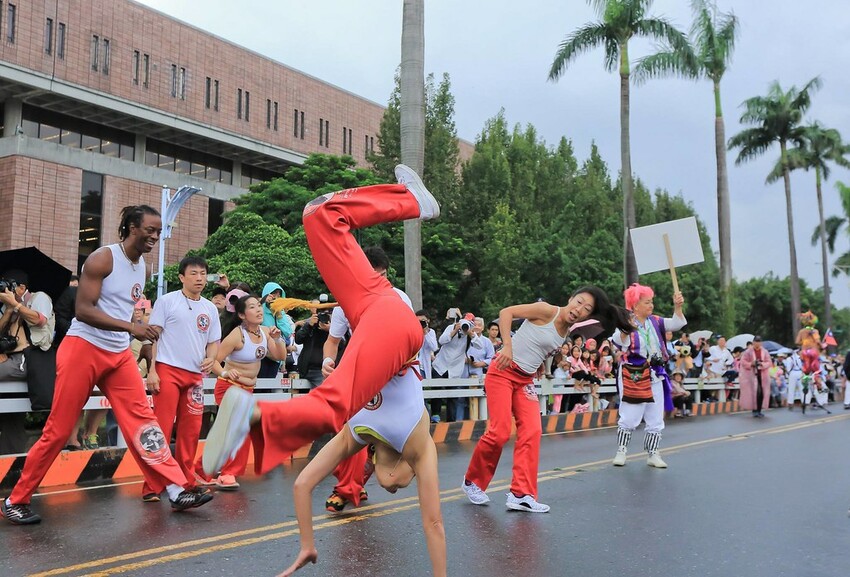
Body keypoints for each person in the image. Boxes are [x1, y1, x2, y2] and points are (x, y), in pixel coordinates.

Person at [202, 165, 445, 576]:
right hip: (394, 322)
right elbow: (434, 524)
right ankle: (253, 414)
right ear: (406, 469)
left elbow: (302, 484)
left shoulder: (360, 433)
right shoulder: (420, 446)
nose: (391, 485)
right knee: (330, 403)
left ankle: (411, 201)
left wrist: (307, 545)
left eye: (387, 484)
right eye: (397, 484)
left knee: (318, 215)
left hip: (372, 310)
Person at [1, 205, 213, 525]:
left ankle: (175, 488)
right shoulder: (102, 258)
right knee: (59, 431)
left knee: (143, 423)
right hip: (83, 348)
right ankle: (16, 499)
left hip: (118, 354)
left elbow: (123, 310)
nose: (156, 236)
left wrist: (137, 340)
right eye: (150, 230)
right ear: (131, 227)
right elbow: (84, 310)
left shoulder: (141, 265)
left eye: (159, 231)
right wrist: (133, 329)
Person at [462, 287, 632, 513]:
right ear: (570, 298)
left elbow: (537, 343)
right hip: (502, 371)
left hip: (525, 380)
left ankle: (521, 494)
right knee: (500, 431)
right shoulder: (546, 310)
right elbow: (506, 312)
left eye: (586, 309)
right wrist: (508, 347)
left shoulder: (567, 330)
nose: (578, 309)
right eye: (578, 302)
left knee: (532, 431)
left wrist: (540, 362)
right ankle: (472, 482)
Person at [141, 256, 221, 501]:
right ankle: (152, 486)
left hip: (195, 375)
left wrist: (211, 358)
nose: (199, 278)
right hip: (168, 369)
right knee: (161, 430)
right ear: (181, 277)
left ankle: (185, 481)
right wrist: (152, 370)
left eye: (203, 273)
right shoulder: (167, 301)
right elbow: (153, 337)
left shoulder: (209, 308)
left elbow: (213, 341)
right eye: (194, 273)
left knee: (190, 431)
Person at [321, 245, 395, 512]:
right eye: (372, 274)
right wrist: (328, 361)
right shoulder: (345, 304)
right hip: (362, 377)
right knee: (353, 430)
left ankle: (358, 480)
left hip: (396, 378)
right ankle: (346, 488)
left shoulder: (398, 299)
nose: (378, 281)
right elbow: (332, 342)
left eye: (383, 274)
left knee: (394, 467)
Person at [198, 294, 286, 489]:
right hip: (229, 388)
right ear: (242, 314)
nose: (258, 310)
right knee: (241, 431)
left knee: (228, 433)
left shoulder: (264, 332)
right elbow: (213, 362)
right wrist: (227, 372)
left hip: (247, 390)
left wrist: (278, 339)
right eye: (252, 307)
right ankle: (228, 473)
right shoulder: (237, 335)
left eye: (258, 306)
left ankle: (201, 470)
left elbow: (280, 356)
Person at [611, 284, 685, 469]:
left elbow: (677, 323)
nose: (651, 305)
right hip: (633, 374)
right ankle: (622, 451)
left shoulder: (656, 321)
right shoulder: (626, 322)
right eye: (647, 302)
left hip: (655, 373)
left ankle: (653, 453)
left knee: (655, 416)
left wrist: (677, 306)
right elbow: (620, 342)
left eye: (651, 301)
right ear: (635, 305)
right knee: (629, 415)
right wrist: (624, 328)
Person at [0, 269, 55, 379]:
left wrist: (15, 304)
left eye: (9, 285)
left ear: (22, 288)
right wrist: (9, 310)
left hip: (29, 358)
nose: (5, 289)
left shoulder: (39, 297)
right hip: (10, 354)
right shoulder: (7, 305)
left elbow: (39, 320)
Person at [258, 282, 293, 378]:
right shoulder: (260, 308)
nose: (276, 296)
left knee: (269, 386)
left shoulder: (280, 312)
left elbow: (287, 332)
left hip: (276, 355)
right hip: (261, 354)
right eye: (273, 293)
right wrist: (263, 302)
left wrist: (278, 314)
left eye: (279, 294)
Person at [739, 336, 771, 418]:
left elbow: (769, 362)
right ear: (753, 342)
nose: (757, 343)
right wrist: (752, 364)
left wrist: (762, 364)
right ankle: (755, 410)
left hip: (763, 375)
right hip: (752, 375)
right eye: (756, 341)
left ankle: (759, 410)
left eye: (759, 341)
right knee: (755, 393)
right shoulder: (748, 352)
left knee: (762, 393)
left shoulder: (765, 352)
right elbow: (743, 362)